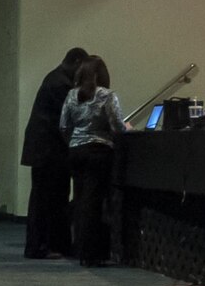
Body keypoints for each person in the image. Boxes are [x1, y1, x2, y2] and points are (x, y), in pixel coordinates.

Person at [58, 55, 128, 267]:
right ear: (102, 75)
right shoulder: (107, 96)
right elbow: (117, 127)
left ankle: (80, 248)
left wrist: (73, 141)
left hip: (76, 152)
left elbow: (63, 126)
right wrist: (127, 129)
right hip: (99, 152)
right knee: (95, 204)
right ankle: (93, 253)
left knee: (80, 200)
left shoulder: (71, 95)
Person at [21, 47, 88, 260]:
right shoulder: (62, 85)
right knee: (47, 200)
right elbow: (69, 118)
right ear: (77, 62)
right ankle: (40, 246)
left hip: (43, 149)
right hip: (49, 150)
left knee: (47, 199)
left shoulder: (54, 78)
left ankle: (46, 245)